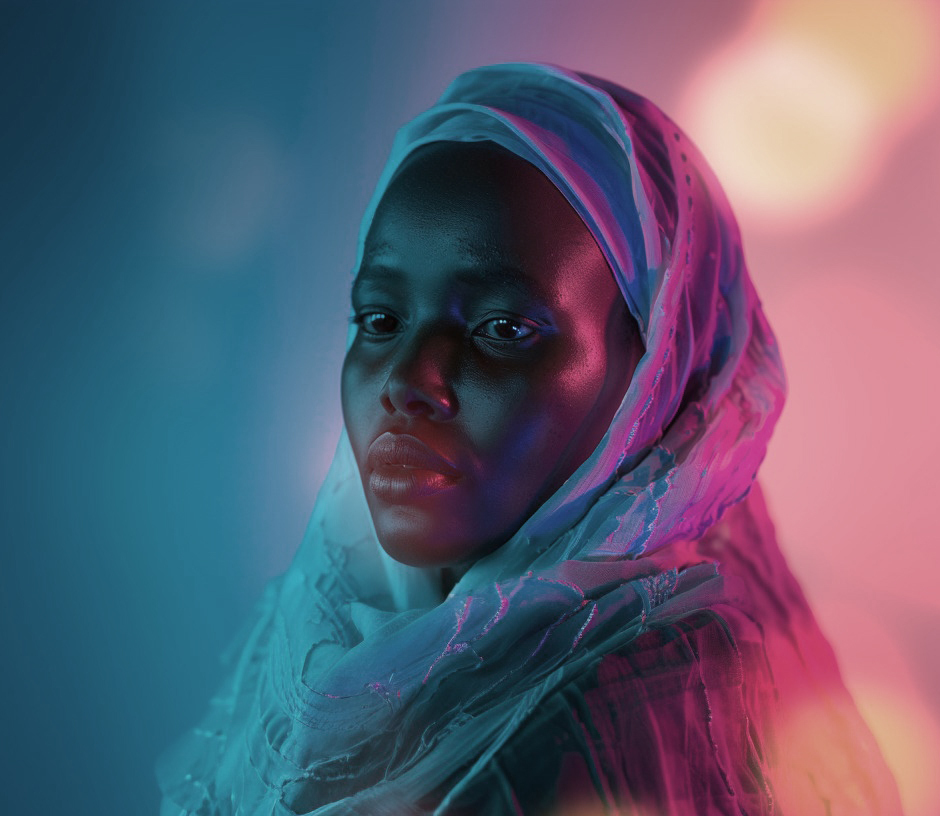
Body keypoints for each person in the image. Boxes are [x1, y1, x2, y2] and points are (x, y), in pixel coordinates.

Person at [157, 63, 902, 815]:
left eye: (503, 330)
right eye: (379, 319)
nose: (410, 379)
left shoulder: (636, 709)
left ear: (655, 376)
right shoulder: (340, 642)